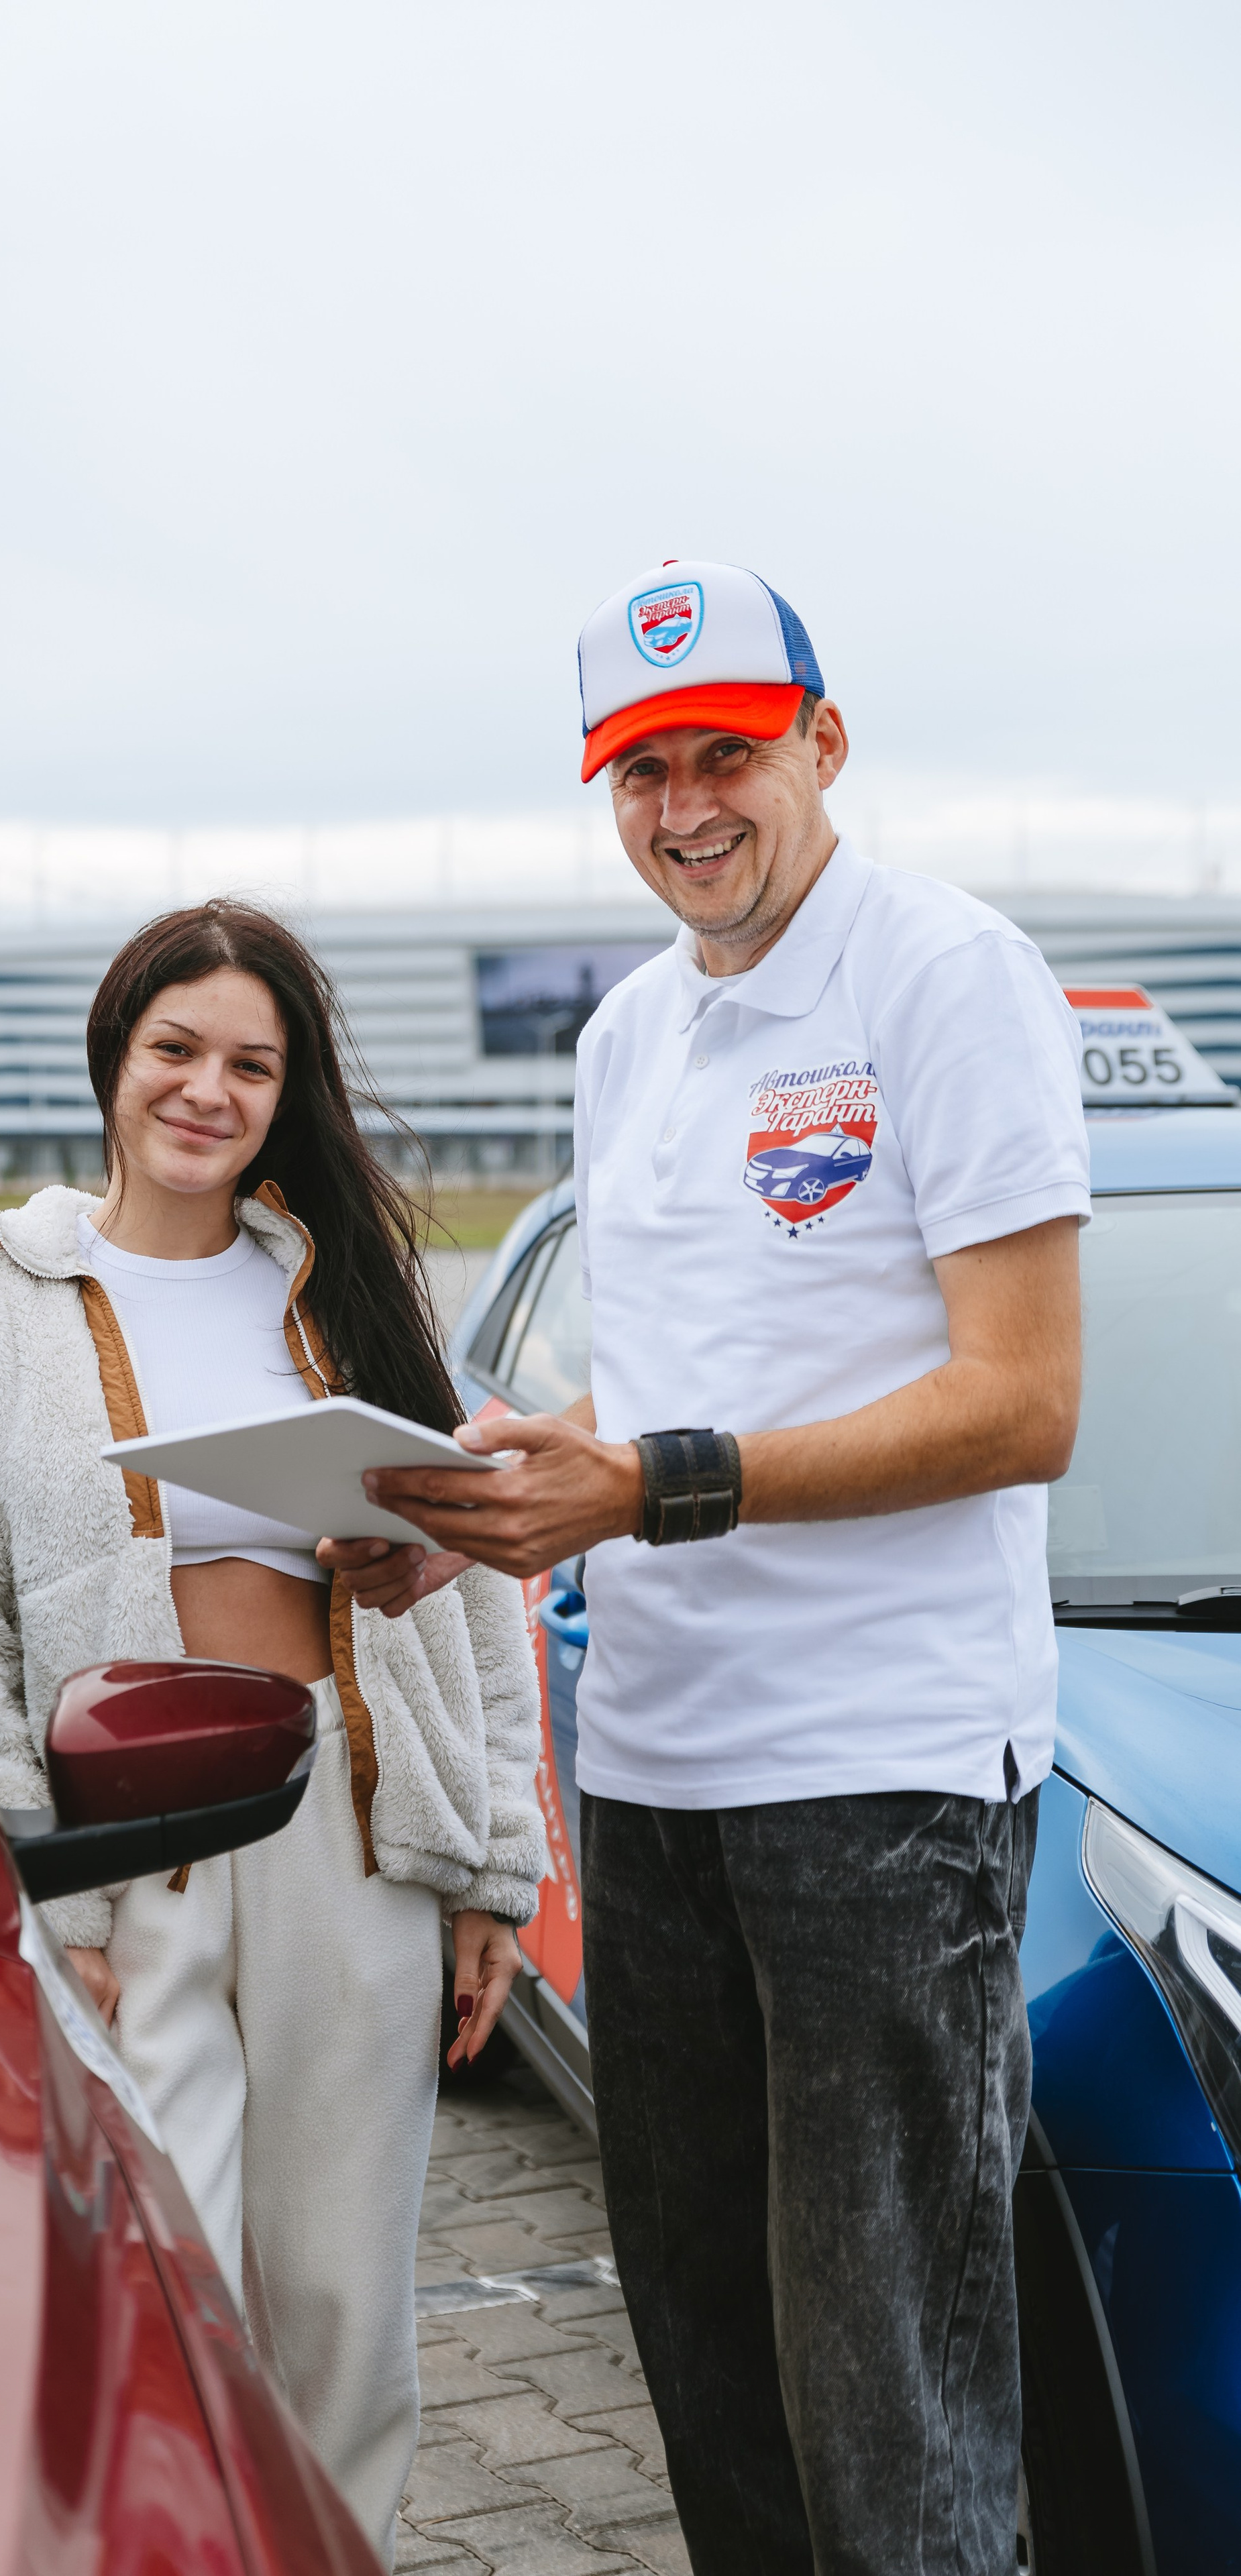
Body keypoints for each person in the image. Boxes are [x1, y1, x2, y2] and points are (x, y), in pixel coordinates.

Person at [323, 560, 1089, 2572]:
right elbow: (656, 1400)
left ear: (825, 745)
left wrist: (652, 1482)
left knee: (895, 2399)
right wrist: (484, 1500)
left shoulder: (945, 974)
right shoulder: (628, 1033)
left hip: (881, 1778)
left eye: (724, 755)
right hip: (652, 1774)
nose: (684, 808)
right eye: (639, 770)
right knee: (711, 2373)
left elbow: (1022, 1406)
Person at [0, 900, 544, 2567]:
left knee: (339, 2293)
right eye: (175, 1049)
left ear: (283, 1092)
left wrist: (494, 1874)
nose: (207, 1090)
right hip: (128, 1844)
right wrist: (55, 1893)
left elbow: (471, 1598)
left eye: (251, 1063)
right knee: (169, 2272)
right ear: (114, 1060)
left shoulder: (345, 1292)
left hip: (344, 1829)